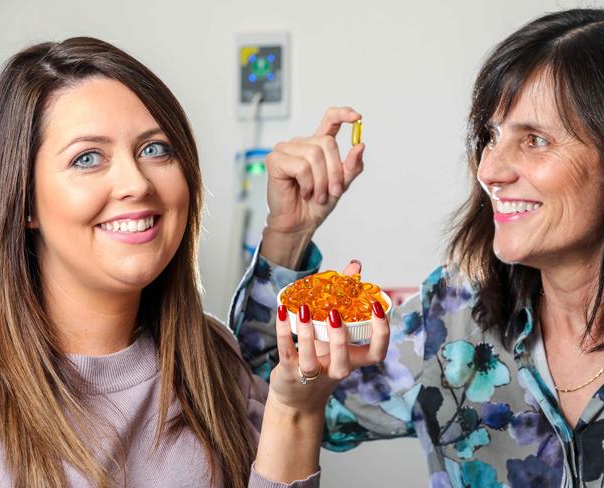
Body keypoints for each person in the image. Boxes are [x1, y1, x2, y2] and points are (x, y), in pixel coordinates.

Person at [0, 37, 390, 488]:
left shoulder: (214, 358)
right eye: (87, 158)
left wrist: (296, 410)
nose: (137, 183)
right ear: (23, 201)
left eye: (154, 149)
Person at [230, 8, 604, 487]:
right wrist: (289, 232)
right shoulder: (450, 321)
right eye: (491, 136)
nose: (489, 171)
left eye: (534, 139)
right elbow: (261, 388)